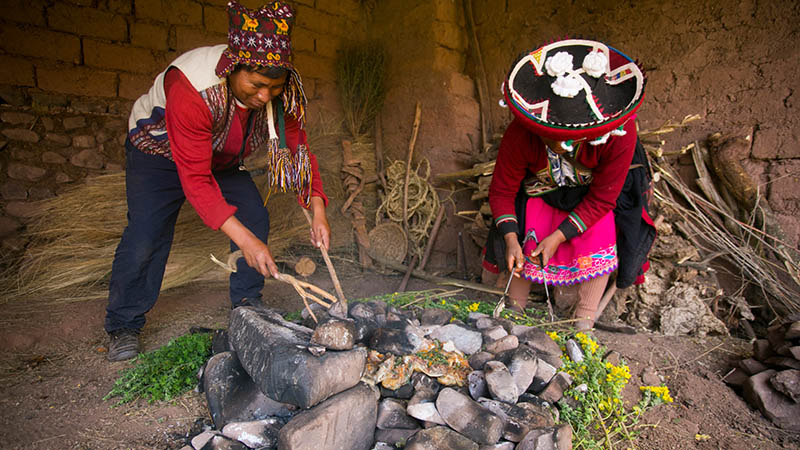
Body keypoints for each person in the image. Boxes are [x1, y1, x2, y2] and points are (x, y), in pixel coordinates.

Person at [105, 0, 330, 361]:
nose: (264, 96)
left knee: (254, 216)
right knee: (147, 235)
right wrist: (248, 243)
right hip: (158, 154)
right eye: (256, 85)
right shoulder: (191, 88)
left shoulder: (279, 89)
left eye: (273, 88)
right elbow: (195, 179)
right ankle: (123, 324)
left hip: (222, 157)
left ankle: (247, 305)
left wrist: (316, 207)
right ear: (231, 67)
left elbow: (298, 151)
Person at [482, 38, 655, 330]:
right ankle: (513, 315)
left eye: (570, 140)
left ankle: (583, 322)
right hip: (543, 189)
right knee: (530, 226)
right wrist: (512, 239)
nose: (561, 145)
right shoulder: (522, 134)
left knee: (600, 229)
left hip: (594, 198)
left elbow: (602, 199)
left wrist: (559, 237)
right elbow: (502, 190)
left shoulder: (620, 135)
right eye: (552, 138)